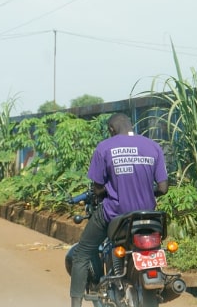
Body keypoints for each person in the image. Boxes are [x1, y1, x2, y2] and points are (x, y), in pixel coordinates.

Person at [70, 113, 169, 307]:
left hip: (115, 214)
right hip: (148, 217)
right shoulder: (153, 146)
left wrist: (112, 192)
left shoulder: (105, 147)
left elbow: (98, 188)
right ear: (132, 126)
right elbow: (164, 188)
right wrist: (145, 192)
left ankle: (75, 304)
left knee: (81, 253)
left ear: (111, 130)